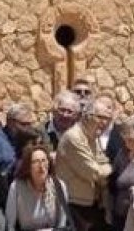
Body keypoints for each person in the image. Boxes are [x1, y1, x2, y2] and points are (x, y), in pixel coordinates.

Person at [55, 97, 114, 231]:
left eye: (107, 119)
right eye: (100, 117)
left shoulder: (92, 136)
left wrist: (104, 168)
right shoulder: (74, 137)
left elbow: (103, 162)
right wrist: (110, 170)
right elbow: (94, 173)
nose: (104, 123)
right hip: (74, 204)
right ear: (87, 116)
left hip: (92, 204)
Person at [5, 145, 71, 231]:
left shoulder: (59, 186)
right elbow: (10, 225)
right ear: (28, 167)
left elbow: (62, 223)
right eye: (35, 162)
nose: (41, 166)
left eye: (44, 160)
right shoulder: (16, 187)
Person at [108, 116, 134, 231]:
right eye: (124, 133)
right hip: (119, 216)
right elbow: (112, 180)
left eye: (129, 133)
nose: (125, 137)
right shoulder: (122, 154)